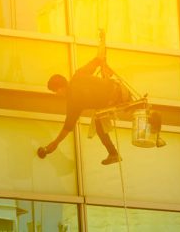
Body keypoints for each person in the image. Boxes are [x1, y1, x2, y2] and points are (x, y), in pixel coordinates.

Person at [37, 31, 133, 165]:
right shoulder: (78, 75)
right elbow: (98, 59)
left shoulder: (73, 101)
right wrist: (102, 41)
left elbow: (67, 127)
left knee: (99, 126)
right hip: (122, 91)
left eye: (55, 92)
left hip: (113, 100)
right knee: (102, 118)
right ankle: (115, 152)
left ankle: (113, 153)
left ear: (59, 89)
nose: (57, 95)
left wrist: (54, 144)